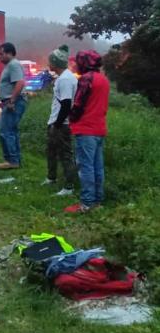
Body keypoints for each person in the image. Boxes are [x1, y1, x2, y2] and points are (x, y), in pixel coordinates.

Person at [64, 50, 109, 213]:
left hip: (86, 129)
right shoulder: (103, 79)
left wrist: (71, 117)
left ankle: (86, 203)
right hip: (99, 129)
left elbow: (78, 105)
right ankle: (97, 201)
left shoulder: (86, 79)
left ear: (85, 62)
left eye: (78, 61)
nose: (76, 64)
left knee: (85, 167)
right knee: (98, 167)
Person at [43, 45, 78, 197]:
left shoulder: (65, 79)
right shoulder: (64, 77)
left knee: (65, 154)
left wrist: (57, 125)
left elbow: (66, 104)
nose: (48, 64)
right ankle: (51, 178)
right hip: (57, 122)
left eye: (50, 61)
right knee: (51, 151)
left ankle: (69, 187)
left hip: (61, 124)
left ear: (55, 63)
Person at [0, 42, 26, 169]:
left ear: (9, 53)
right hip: (10, 101)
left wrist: (12, 101)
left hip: (13, 102)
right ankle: (15, 160)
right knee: (11, 132)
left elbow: (20, 83)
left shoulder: (13, 65)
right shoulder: (9, 66)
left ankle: (11, 161)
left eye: (1, 54)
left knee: (6, 132)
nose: (0, 57)